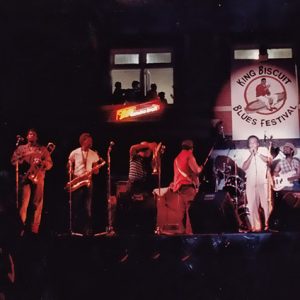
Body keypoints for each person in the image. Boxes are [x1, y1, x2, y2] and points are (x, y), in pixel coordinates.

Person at [11, 129, 53, 235]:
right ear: (26, 136)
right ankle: (20, 229)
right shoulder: (21, 148)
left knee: (37, 204)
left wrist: (42, 162)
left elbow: (49, 164)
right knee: (23, 204)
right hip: (25, 178)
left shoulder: (43, 149)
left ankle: (34, 230)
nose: (31, 135)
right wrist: (23, 160)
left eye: (34, 134)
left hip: (38, 178)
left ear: (37, 137)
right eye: (30, 134)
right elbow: (13, 161)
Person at [117, 141, 158, 233]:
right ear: (145, 150)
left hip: (142, 186)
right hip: (133, 186)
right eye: (149, 151)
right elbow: (132, 148)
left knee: (144, 209)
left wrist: (155, 156)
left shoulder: (145, 161)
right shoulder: (135, 156)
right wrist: (148, 145)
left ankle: (144, 229)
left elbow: (154, 169)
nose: (150, 153)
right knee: (131, 209)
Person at [67, 133, 104, 235]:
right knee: (76, 205)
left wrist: (95, 169)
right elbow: (69, 165)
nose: (91, 142)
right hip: (77, 179)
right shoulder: (74, 152)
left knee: (87, 206)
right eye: (89, 141)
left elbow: (97, 172)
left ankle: (87, 230)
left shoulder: (93, 154)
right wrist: (70, 171)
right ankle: (75, 229)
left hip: (88, 180)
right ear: (83, 141)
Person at [241, 135, 272, 231]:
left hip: (262, 181)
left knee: (266, 204)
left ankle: (268, 225)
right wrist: (251, 155)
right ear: (248, 145)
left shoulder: (263, 150)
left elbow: (269, 160)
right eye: (250, 143)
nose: (252, 144)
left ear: (258, 144)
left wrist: (257, 154)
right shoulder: (245, 153)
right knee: (252, 205)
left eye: (254, 142)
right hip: (250, 181)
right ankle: (256, 227)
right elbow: (244, 167)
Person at [172, 140, 203, 234]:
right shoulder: (189, 155)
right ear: (191, 148)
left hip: (178, 188)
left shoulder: (176, 158)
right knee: (190, 212)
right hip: (188, 188)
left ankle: (181, 235)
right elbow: (196, 170)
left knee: (181, 214)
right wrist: (201, 168)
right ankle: (190, 236)